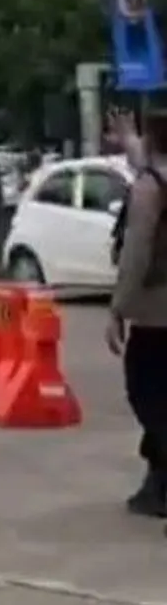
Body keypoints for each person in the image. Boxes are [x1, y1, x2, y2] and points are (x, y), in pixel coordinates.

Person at [106, 110, 167, 521]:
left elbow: (136, 253)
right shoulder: (154, 177)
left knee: (147, 393)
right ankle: (157, 481)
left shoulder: (151, 186)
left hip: (157, 310)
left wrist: (118, 308)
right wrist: (129, 138)